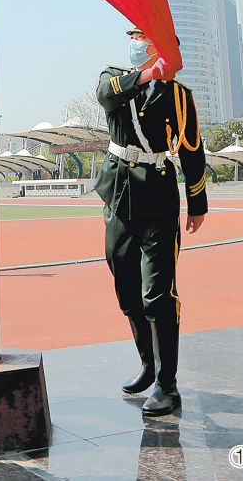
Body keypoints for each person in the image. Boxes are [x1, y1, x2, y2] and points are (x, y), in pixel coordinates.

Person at [95, 26, 207, 416]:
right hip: (120, 193)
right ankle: (148, 363)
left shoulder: (179, 95)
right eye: (133, 34)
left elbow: (192, 145)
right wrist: (147, 73)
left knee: (157, 292)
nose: (136, 42)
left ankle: (168, 383)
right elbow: (106, 97)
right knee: (126, 286)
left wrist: (197, 202)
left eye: (144, 35)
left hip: (158, 196)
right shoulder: (114, 78)